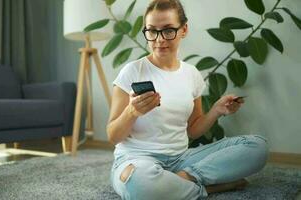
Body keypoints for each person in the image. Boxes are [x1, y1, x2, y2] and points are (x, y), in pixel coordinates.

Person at [106, 0, 268, 199]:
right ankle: (206, 188)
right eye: (151, 31)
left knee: (257, 147)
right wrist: (132, 112)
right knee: (137, 184)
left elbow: (193, 129)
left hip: (182, 159)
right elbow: (113, 136)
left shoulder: (192, 74)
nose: (159, 39)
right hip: (137, 160)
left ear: (184, 30)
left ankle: (181, 179)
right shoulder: (131, 72)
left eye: (167, 30)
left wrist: (216, 110)